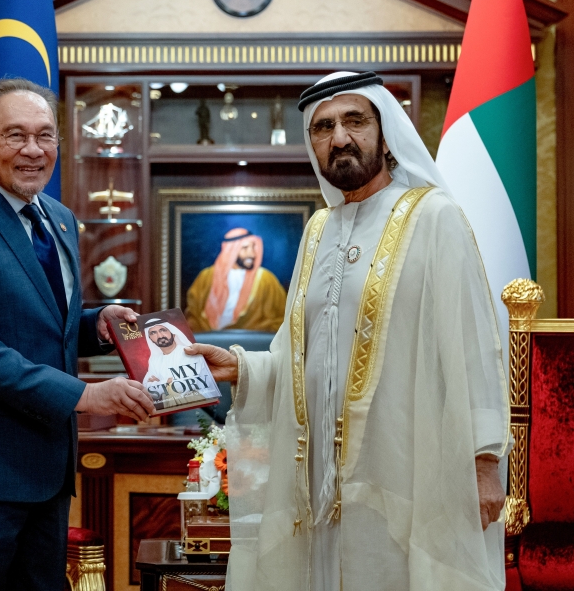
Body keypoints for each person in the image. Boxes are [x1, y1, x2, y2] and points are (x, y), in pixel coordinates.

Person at [188, 71, 511, 591]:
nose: (339, 137)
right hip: (321, 485)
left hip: (408, 471)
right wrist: (242, 368)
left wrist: (483, 462)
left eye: (355, 121)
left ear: (386, 135)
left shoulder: (434, 217)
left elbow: (472, 345)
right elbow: (302, 355)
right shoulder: (319, 230)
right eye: (323, 127)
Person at [0, 77, 156, 591]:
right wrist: (86, 394)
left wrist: (99, 326)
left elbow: (46, 326)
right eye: (15, 135)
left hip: (47, 466)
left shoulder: (61, 219)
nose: (33, 150)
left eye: (45, 136)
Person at [185, 228, 287, 333]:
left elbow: (281, 318)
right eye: (245, 248)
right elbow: (193, 316)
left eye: (253, 247)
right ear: (231, 250)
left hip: (254, 344)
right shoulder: (206, 277)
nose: (252, 254)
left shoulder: (266, 279)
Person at [141, 318, 216, 410]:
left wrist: (159, 382)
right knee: (170, 392)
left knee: (171, 392)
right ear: (150, 339)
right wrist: (167, 382)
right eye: (153, 333)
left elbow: (181, 386)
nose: (160, 335)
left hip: (201, 403)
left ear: (172, 332)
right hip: (173, 404)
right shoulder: (154, 360)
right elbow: (147, 390)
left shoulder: (187, 352)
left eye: (163, 330)